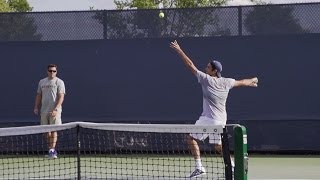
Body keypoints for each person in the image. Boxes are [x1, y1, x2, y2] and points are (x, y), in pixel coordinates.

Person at [170, 40, 258, 178]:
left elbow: (190, 65)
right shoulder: (227, 82)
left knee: (191, 139)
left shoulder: (206, 79)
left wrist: (179, 50)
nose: (205, 68)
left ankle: (199, 167)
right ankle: (234, 166)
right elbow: (242, 82)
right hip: (221, 120)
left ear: (214, 71)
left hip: (208, 119)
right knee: (217, 146)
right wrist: (252, 80)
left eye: (208, 67)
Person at [34, 64, 66, 159]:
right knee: (45, 132)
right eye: (50, 71)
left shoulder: (59, 82)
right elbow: (39, 95)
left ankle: (52, 150)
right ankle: (50, 149)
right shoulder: (41, 82)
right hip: (44, 110)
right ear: (47, 71)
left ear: (56, 72)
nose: (52, 72)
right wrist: (36, 107)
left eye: (54, 71)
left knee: (54, 130)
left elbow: (61, 96)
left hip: (55, 110)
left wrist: (56, 109)